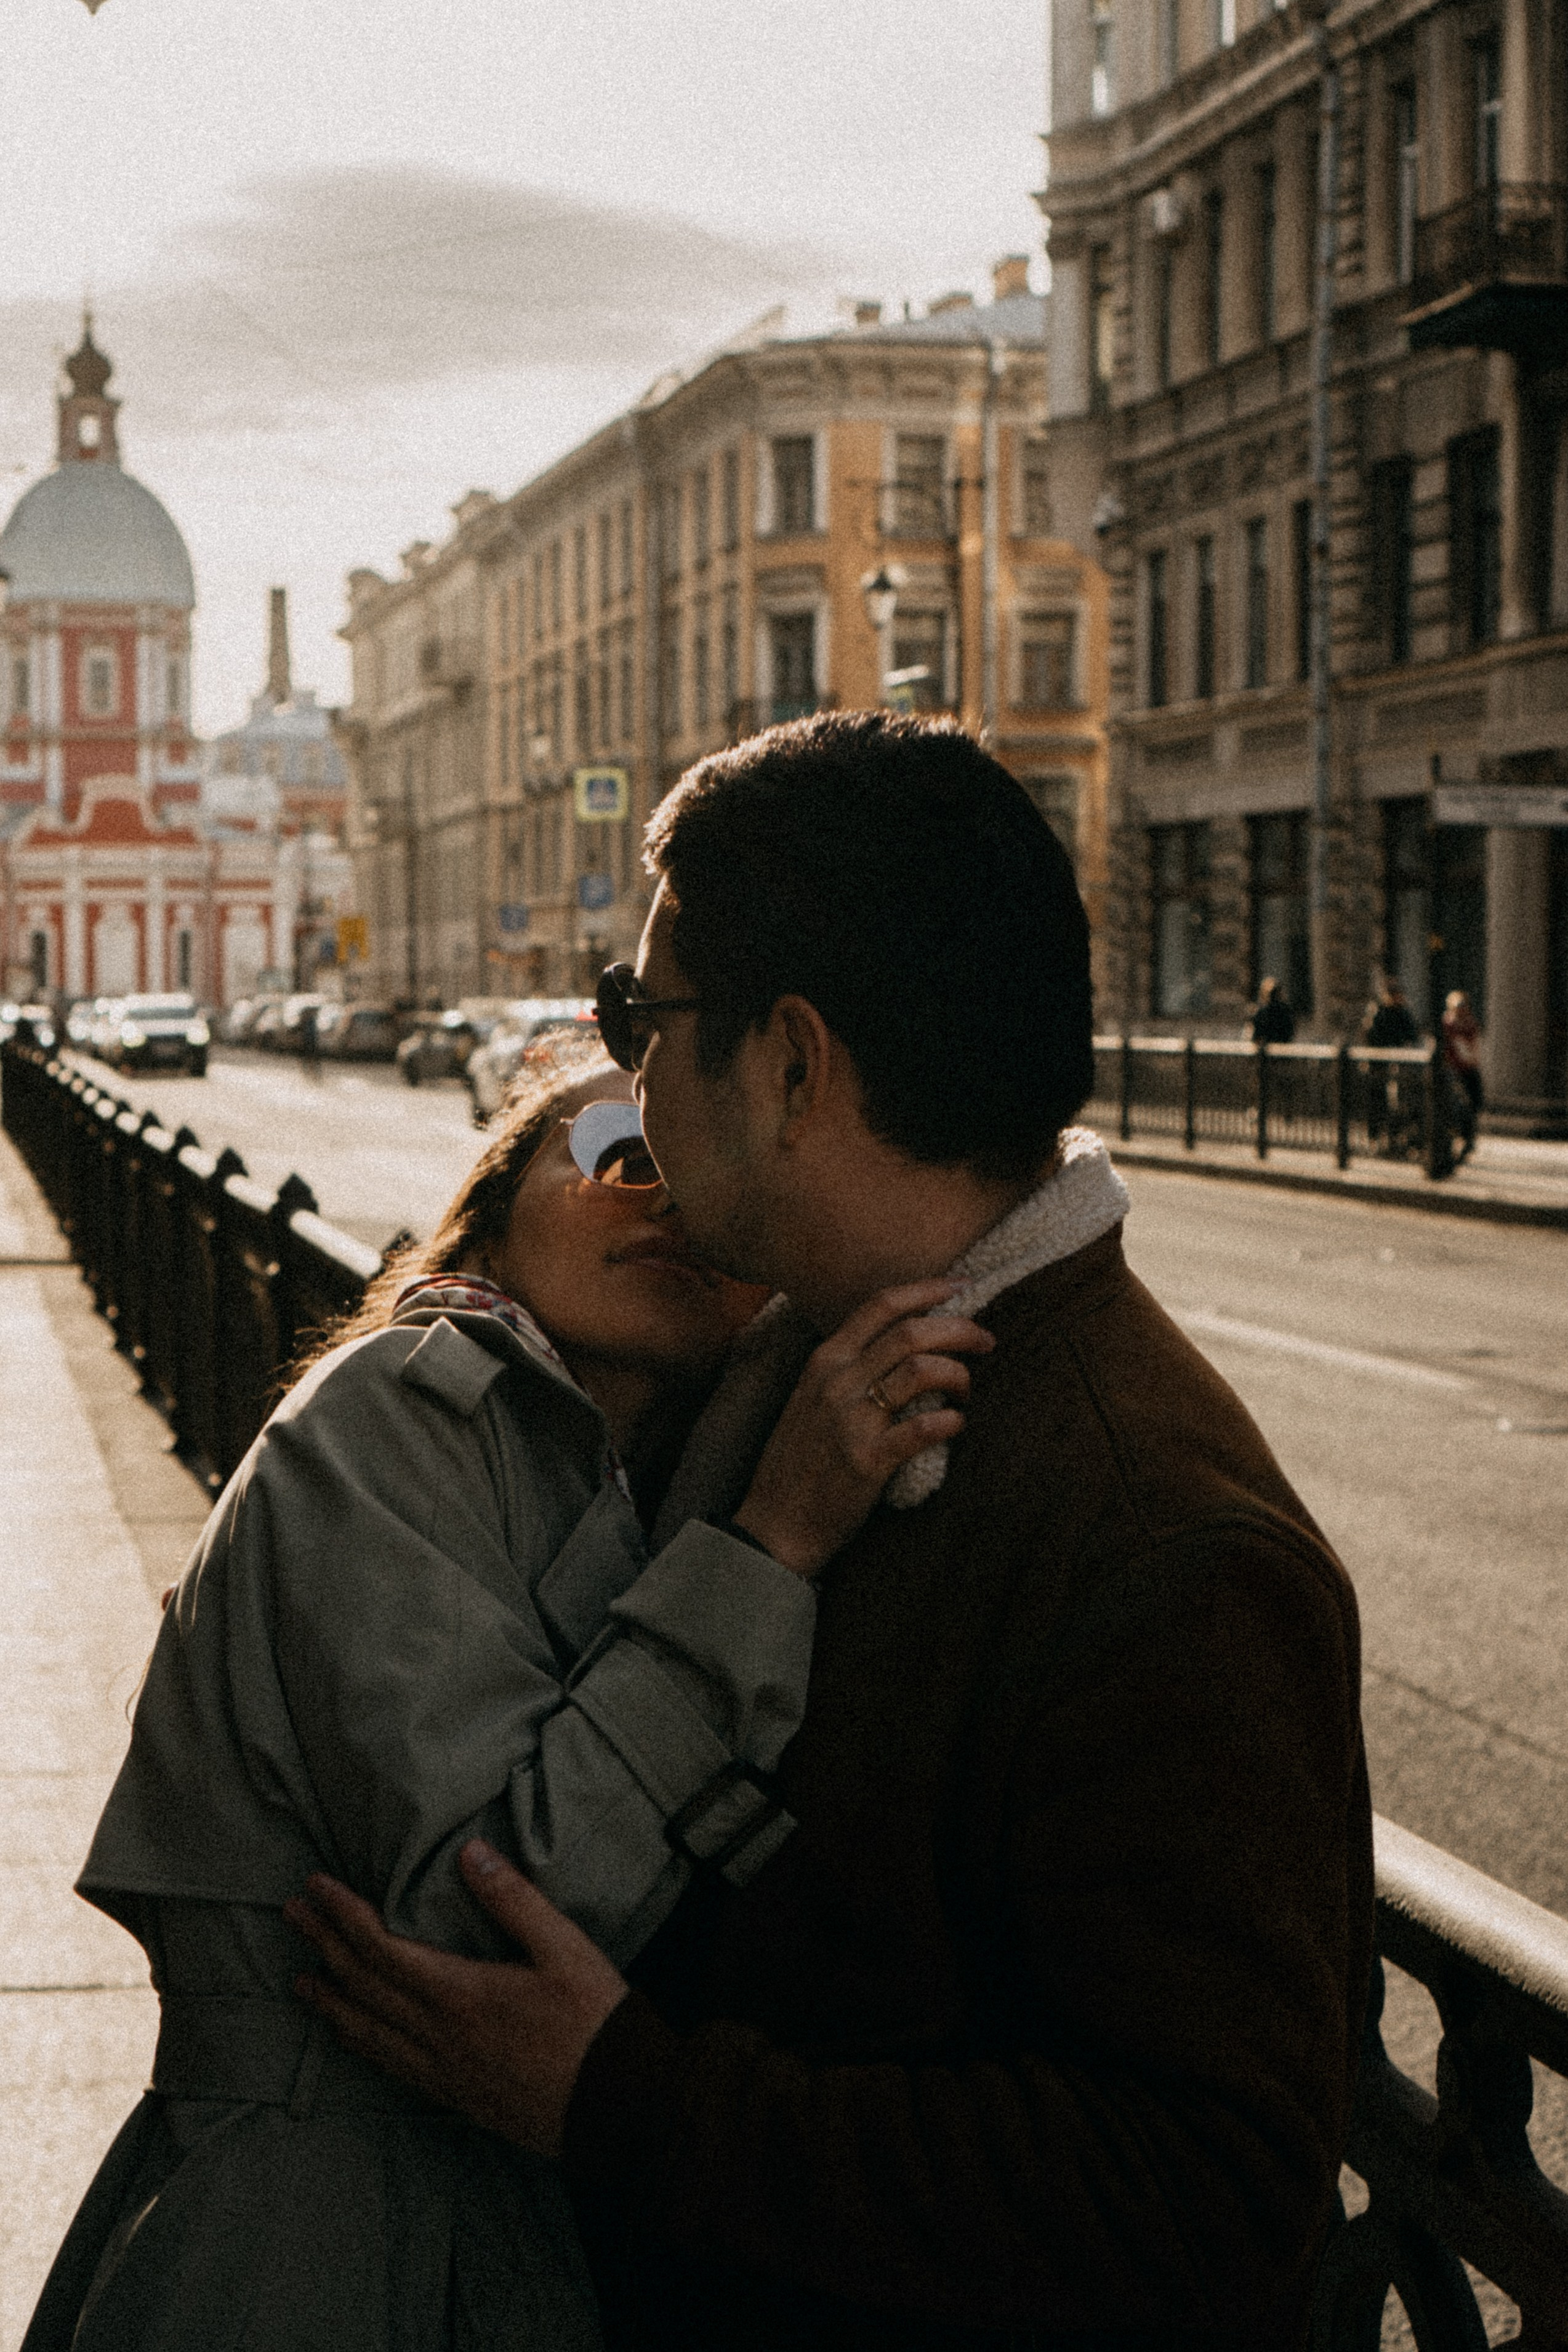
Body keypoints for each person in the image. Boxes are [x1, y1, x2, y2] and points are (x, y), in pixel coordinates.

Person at [294, 711, 1374, 2352]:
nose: (624, 1075)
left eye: (636, 1017)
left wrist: (626, 2099)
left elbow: (1209, 2195)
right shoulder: (790, 1369)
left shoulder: (1153, 1532)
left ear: (791, 1064)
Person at [23, 1026, 991, 2352]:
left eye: (698, 1183)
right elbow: (477, 1920)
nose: (658, 1197)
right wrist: (767, 1550)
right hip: (314, 2241)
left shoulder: (598, 1463)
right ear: (486, 1213)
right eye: (610, 1151)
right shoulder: (396, 1402)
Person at [1362, 978, 1421, 1154]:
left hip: (1399, 1065)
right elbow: (1372, 1036)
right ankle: (1376, 1138)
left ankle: (1397, 1138)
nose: (1396, 998)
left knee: (1400, 1104)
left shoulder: (1403, 1013)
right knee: (1378, 1103)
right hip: (1379, 1066)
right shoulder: (1378, 1012)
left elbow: (1412, 1034)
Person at [1442, 988, 1484, 1161]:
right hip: (1454, 1071)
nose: (1462, 1010)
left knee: (1473, 1105)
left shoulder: (1470, 1024)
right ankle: (1458, 1140)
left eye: (1464, 1006)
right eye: (1458, 1006)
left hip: (1469, 1070)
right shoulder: (1448, 1024)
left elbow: (1474, 1047)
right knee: (1458, 1107)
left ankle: (1469, 1139)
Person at [1248, 973, 1296, 1044]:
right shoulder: (1286, 1010)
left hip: (1269, 1049)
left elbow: (1255, 1036)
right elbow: (1291, 1032)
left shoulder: (1261, 1012)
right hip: (1283, 1048)